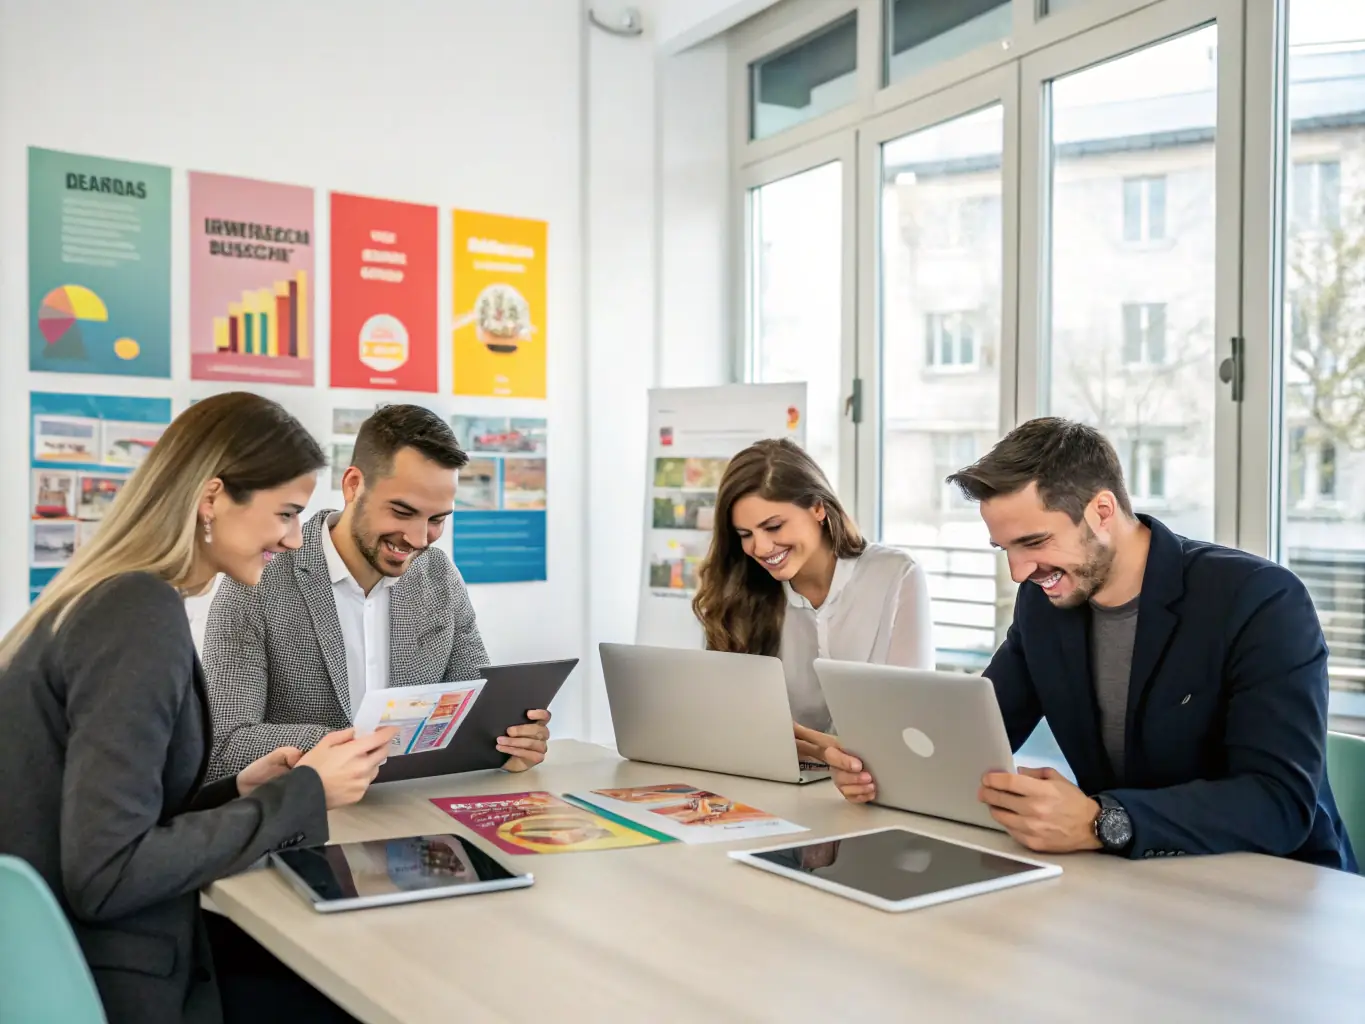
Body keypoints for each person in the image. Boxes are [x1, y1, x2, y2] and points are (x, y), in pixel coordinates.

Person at [0, 392, 397, 1024]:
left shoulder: (105, 598)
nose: (296, 540)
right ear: (212, 498)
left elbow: (113, 816)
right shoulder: (136, 614)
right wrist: (304, 794)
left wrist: (242, 788)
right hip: (122, 981)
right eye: (287, 513)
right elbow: (109, 871)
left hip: (71, 961)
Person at [827, 417, 1357, 872]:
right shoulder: (1045, 604)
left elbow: (1279, 803)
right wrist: (880, 771)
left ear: (1102, 511)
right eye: (1005, 548)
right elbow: (978, 734)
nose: (1019, 573)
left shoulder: (1259, 599)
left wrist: (1103, 820)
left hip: (1281, 890)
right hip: (1137, 885)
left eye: (1034, 543)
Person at [203, 403, 551, 781]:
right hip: (307, 821)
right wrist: (359, 746)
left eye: (437, 520)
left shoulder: (439, 576)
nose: (419, 540)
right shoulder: (258, 580)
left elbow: (476, 715)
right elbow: (223, 747)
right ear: (353, 485)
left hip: (414, 814)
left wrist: (510, 741)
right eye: (402, 512)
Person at [692, 438, 933, 763]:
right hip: (773, 779)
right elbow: (728, 722)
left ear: (818, 508)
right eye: (745, 535)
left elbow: (913, 719)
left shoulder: (897, 575)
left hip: (878, 785)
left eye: (773, 526)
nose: (760, 548)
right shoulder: (741, 592)